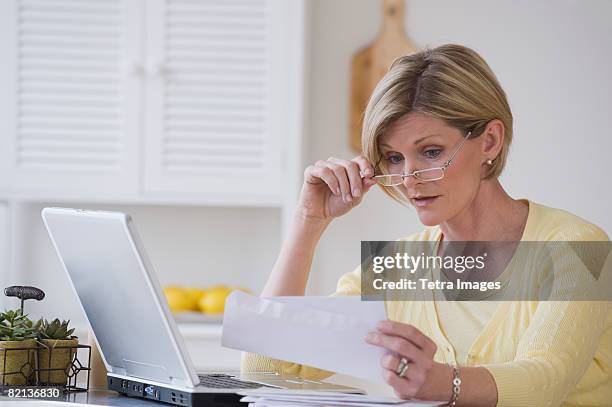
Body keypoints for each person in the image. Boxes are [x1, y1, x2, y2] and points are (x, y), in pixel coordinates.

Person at [240, 44, 611, 407]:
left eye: (431, 152)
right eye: (394, 157)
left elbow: (544, 380)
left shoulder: (575, 246)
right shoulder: (400, 267)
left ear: (490, 142)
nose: (409, 178)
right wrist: (308, 223)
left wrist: (442, 382)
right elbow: (265, 369)